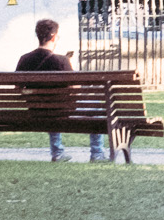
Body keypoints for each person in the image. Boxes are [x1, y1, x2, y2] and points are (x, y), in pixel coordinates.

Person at [15, 18, 107, 163]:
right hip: (62, 111)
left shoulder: (24, 59)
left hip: (36, 110)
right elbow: (75, 89)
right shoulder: (61, 60)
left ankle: (57, 152)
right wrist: (69, 65)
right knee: (95, 106)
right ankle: (97, 153)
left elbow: (17, 88)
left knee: (51, 106)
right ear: (53, 37)